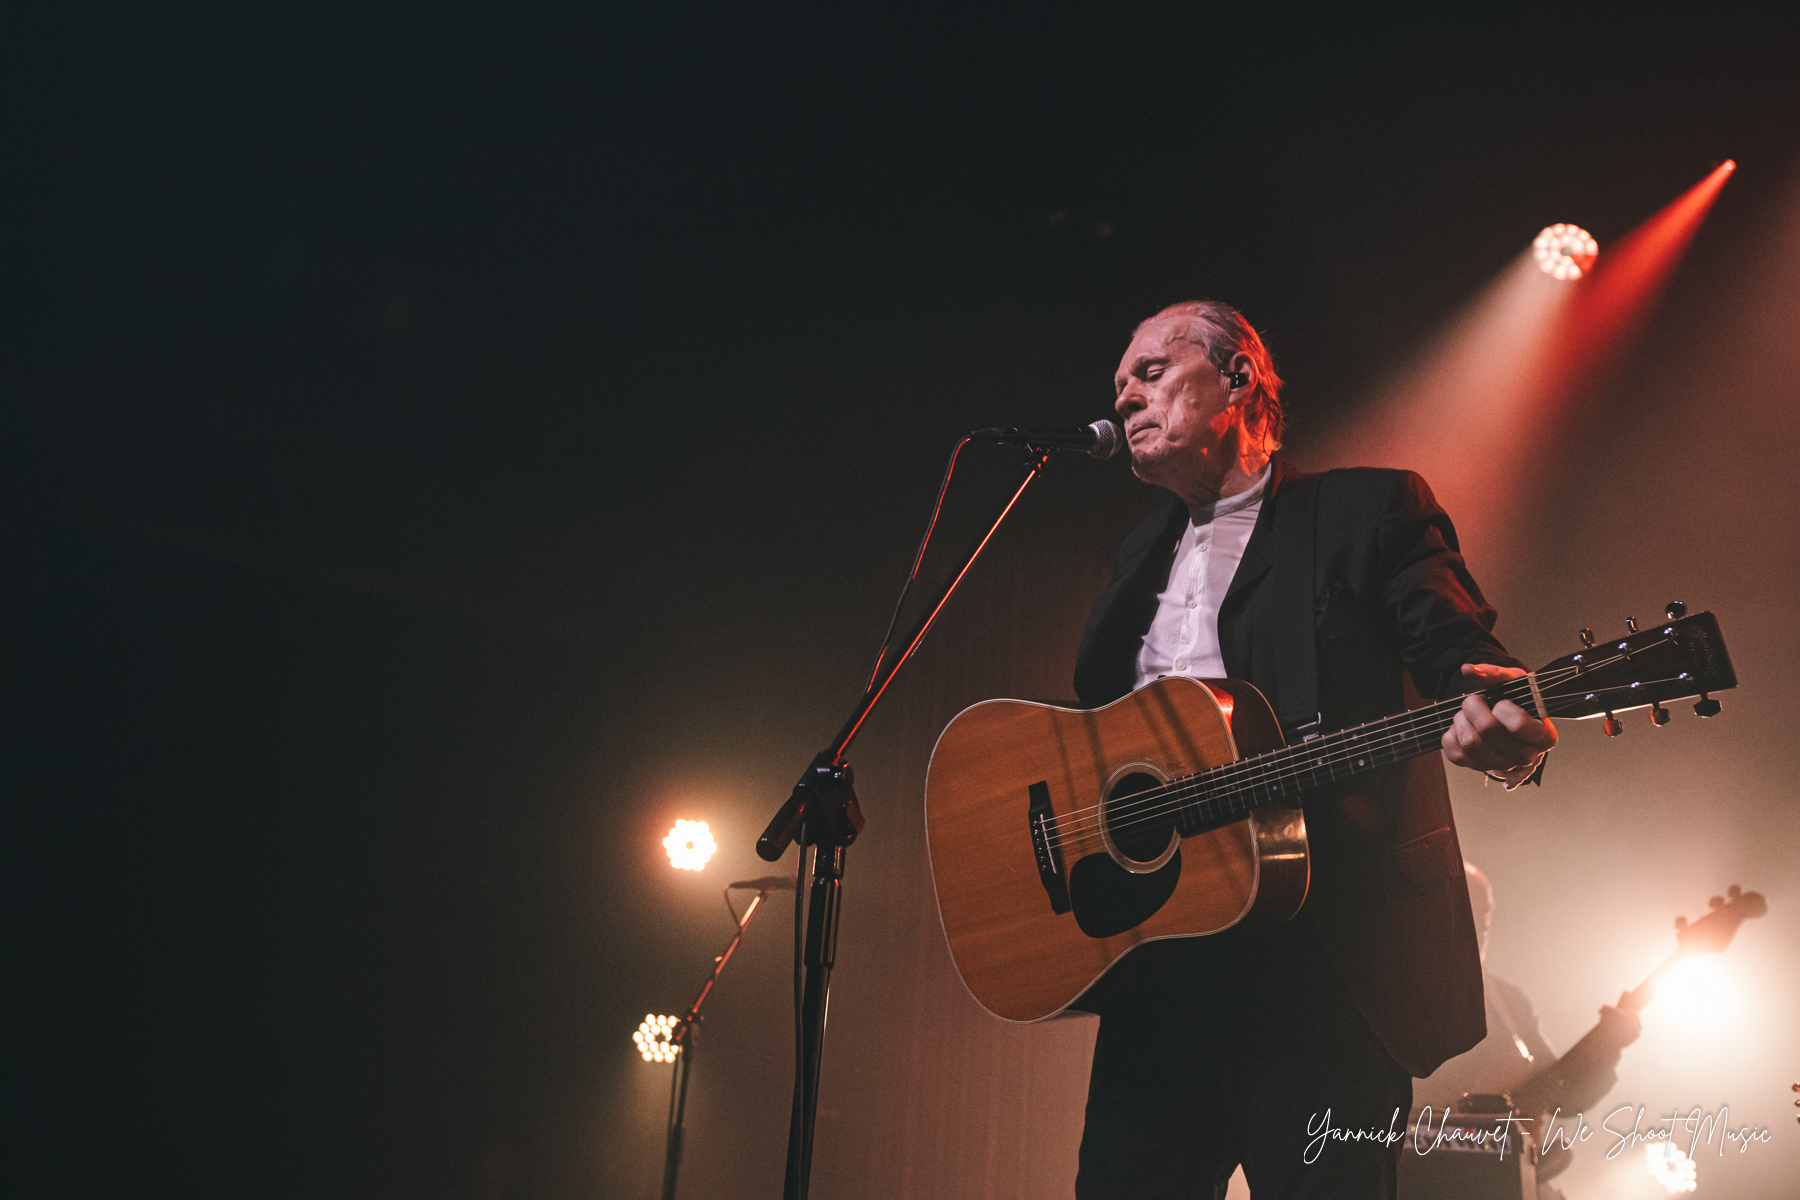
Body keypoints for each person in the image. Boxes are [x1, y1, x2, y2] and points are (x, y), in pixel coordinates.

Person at [1069, 300, 1557, 1199]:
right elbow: (1088, 735)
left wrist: (1507, 728)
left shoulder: (1366, 509)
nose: (1126, 398)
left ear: (1240, 376)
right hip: (1161, 976)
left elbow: (1461, 652)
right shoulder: (1139, 552)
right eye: (1119, 385)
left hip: (1326, 968)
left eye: (1151, 371)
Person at [1405, 863, 1643, 1199]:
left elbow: (1564, 1096)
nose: (1481, 926)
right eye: (1469, 912)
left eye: (1485, 915)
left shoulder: (1509, 1001)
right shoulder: (1399, 997)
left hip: (1511, 1180)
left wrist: (1609, 1048)